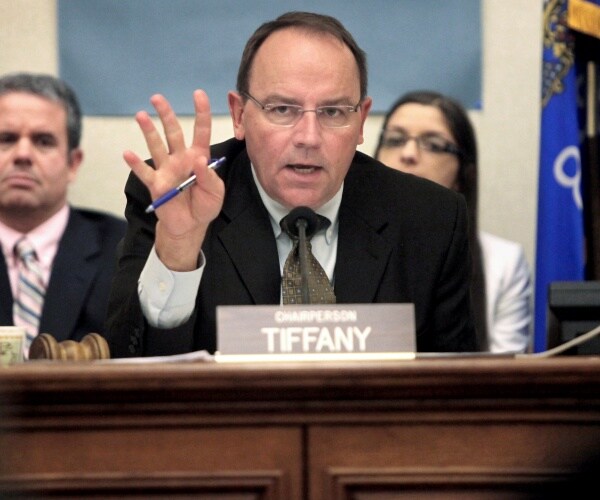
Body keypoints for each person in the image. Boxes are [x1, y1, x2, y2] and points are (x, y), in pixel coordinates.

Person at [104, 11, 476, 358]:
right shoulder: (178, 196)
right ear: (239, 116)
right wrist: (179, 251)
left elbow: (456, 394)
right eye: (282, 109)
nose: (309, 138)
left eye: (333, 112)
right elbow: (128, 369)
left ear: (361, 122)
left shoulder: (431, 220)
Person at [374, 90, 532, 353]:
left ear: (463, 172)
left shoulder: (504, 262)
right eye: (395, 140)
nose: (409, 153)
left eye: (433, 145)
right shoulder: (334, 241)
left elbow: (503, 382)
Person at [0, 72, 127, 357]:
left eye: (43, 141)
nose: (23, 154)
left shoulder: (124, 249)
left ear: (73, 163)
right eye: (6, 139)